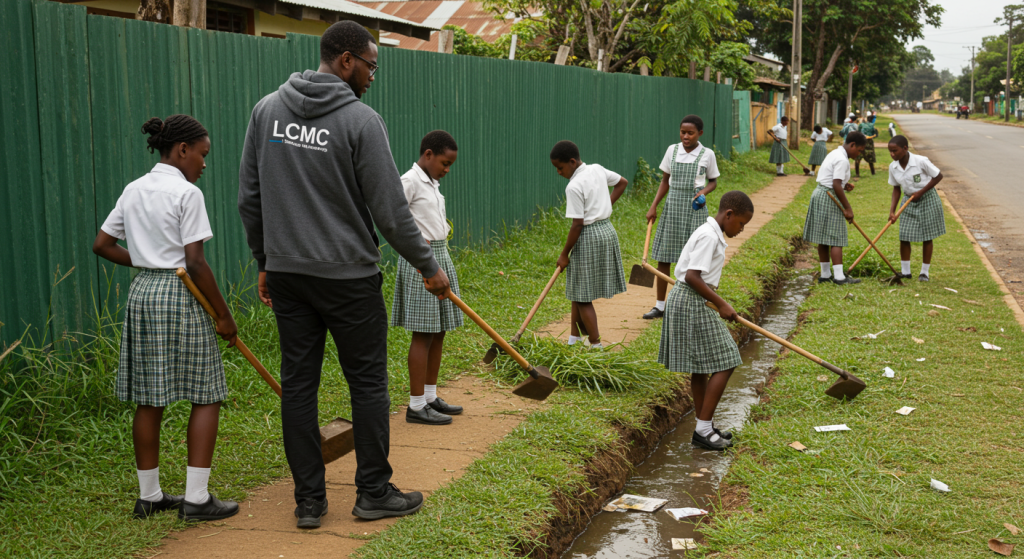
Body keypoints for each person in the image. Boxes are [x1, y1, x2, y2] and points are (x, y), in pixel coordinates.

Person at [238, 20, 450, 528]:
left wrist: (265, 261)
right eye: (372, 65)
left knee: (299, 384)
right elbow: (390, 212)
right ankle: (373, 492)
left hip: (289, 275)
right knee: (369, 383)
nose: (374, 76)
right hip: (349, 279)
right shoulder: (361, 121)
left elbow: (250, 198)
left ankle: (309, 501)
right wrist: (428, 266)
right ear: (347, 61)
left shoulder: (266, 111)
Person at [93, 115, 239, 522]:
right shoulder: (186, 193)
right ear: (182, 150)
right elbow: (194, 261)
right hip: (181, 293)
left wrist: (144, 262)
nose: (204, 164)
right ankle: (196, 499)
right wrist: (224, 316)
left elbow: (102, 244)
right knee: (206, 392)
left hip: (143, 292)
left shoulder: (134, 189)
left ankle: (150, 497)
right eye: (203, 155)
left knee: (149, 396)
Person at [658, 191, 754, 451]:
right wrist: (722, 303)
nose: (741, 229)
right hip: (690, 300)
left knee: (700, 367)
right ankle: (702, 429)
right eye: (741, 224)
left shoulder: (712, 234)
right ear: (729, 214)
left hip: (691, 299)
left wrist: (719, 301)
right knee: (728, 359)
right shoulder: (709, 236)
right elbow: (692, 276)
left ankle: (705, 426)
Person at [391, 130, 464, 425]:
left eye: (450, 166)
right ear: (429, 154)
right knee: (423, 332)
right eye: (445, 163)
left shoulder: (432, 182)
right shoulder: (408, 181)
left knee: (439, 330)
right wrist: (421, 258)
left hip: (440, 255)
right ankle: (416, 405)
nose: (447, 170)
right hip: (421, 260)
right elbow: (393, 220)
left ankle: (431, 396)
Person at [551, 140, 629, 348]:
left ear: (572, 161)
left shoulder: (574, 186)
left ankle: (596, 345)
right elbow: (622, 182)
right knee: (578, 288)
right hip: (607, 230)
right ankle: (574, 339)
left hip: (588, 236)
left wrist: (564, 253)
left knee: (583, 296)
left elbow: (577, 225)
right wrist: (605, 205)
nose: (558, 172)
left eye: (560, 168)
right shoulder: (597, 169)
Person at [644, 115, 720, 320]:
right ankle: (660, 306)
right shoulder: (672, 150)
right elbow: (665, 181)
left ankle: (691, 304)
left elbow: (713, 181)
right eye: (682, 132)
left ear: (700, 134)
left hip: (695, 209)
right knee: (664, 257)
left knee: (695, 258)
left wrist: (703, 192)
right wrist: (653, 206)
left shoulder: (707, 154)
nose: (685, 136)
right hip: (672, 206)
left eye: (690, 133)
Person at [803, 131, 868, 285]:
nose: (859, 154)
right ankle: (839, 277)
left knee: (824, 238)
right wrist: (848, 208)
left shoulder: (835, 153)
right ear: (852, 145)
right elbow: (835, 184)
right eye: (859, 150)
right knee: (836, 237)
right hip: (829, 196)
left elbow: (835, 181)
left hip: (820, 193)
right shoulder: (842, 160)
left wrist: (846, 185)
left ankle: (825, 275)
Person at [886, 135, 945, 281]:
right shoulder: (893, 167)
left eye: (895, 151)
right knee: (904, 235)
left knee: (927, 236)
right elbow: (896, 190)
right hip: (908, 200)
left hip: (927, 198)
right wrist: (892, 211)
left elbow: (938, 176)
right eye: (890, 151)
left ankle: (924, 272)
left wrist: (921, 192)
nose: (892, 154)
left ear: (905, 149)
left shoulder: (920, 161)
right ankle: (906, 272)